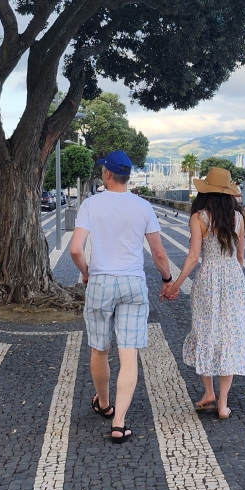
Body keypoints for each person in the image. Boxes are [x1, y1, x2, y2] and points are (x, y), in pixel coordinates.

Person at [69, 150, 173, 444]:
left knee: (99, 349)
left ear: (106, 174)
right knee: (129, 355)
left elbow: (76, 249)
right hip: (133, 283)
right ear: (128, 176)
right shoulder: (143, 207)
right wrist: (167, 281)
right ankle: (119, 422)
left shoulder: (90, 205)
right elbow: (159, 252)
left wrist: (87, 272)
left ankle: (104, 404)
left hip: (101, 281)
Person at [161, 167, 245, 419]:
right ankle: (222, 403)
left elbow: (192, 257)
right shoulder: (239, 218)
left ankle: (208, 392)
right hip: (233, 279)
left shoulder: (199, 218)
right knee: (230, 335)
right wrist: (232, 276)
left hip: (208, 279)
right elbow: (241, 255)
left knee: (205, 330)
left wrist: (174, 285)